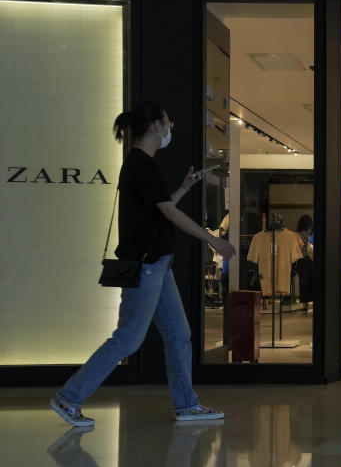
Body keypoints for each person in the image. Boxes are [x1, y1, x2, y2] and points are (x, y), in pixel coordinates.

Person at [50, 101, 236, 427]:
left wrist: (184, 187)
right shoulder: (140, 164)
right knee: (128, 339)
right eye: (167, 123)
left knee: (179, 334)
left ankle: (187, 405)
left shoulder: (141, 163)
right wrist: (213, 239)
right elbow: (170, 214)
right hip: (147, 266)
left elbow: (160, 208)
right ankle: (68, 398)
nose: (170, 129)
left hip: (158, 265)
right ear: (155, 126)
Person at [294, 214, 314, 313]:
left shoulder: (296, 234)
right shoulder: (313, 232)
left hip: (302, 260)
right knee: (314, 282)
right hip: (313, 259)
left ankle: (304, 306)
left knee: (303, 283)